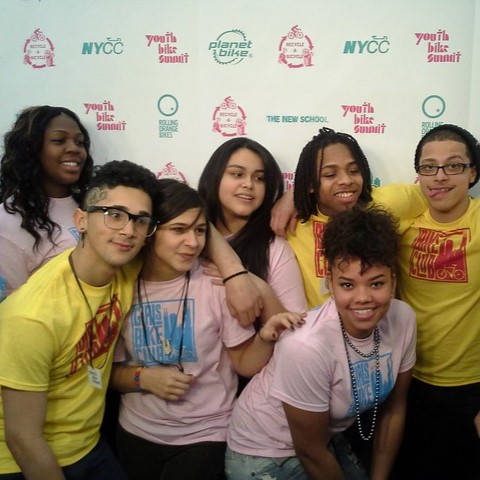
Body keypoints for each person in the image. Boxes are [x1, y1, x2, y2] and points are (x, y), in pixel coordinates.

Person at [110, 179, 305, 480]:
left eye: (200, 231)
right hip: (135, 432)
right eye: (179, 230)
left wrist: (266, 337)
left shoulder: (214, 284)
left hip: (206, 435)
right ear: (148, 231)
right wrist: (143, 378)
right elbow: (105, 375)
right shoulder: (121, 286)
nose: (193, 242)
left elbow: (244, 363)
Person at [225, 205, 416, 480]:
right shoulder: (305, 345)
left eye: (376, 284)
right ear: (331, 283)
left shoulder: (404, 319)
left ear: (393, 282)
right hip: (263, 450)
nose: (363, 298)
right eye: (347, 285)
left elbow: (394, 411)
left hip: (323, 439)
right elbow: (310, 451)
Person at [0, 160, 159, 480]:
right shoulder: (31, 317)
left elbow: (191, 218)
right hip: (23, 461)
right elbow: (23, 437)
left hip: (89, 445)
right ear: (81, 220)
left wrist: (234, 273)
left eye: (141, 220)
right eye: (114, 215)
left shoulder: (125, 267)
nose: (128, 230)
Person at [392, 124, 480, 480]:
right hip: (406, 383)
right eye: (429, 167)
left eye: (454, 165)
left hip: (471, 386)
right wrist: (291, 198)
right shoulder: (401, 221)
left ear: (472, 173)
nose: (440, 176)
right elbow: (340, 207)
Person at [270, 127, 427, 309]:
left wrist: (291, 196)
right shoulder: (293, 223)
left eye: (354, 170)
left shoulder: (386, 203)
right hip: (317, 326)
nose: (346, 180)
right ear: (310, 183)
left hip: (378, 324)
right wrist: (294, 195)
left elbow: (436, 193)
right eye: (330, 174)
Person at [198, 137, 307, 317]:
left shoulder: (274, 249)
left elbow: (297, 325)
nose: (248, 184)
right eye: (237, 174)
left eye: (259, 178)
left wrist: (255, 285)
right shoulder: (190, 236)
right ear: (214, 176)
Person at [0, 105, 94, 301]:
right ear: (31, 149)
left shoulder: (93, 205)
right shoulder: (7, 222)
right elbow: (12, 306)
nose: (74, 148)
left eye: (79, 142)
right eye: (59, 140)